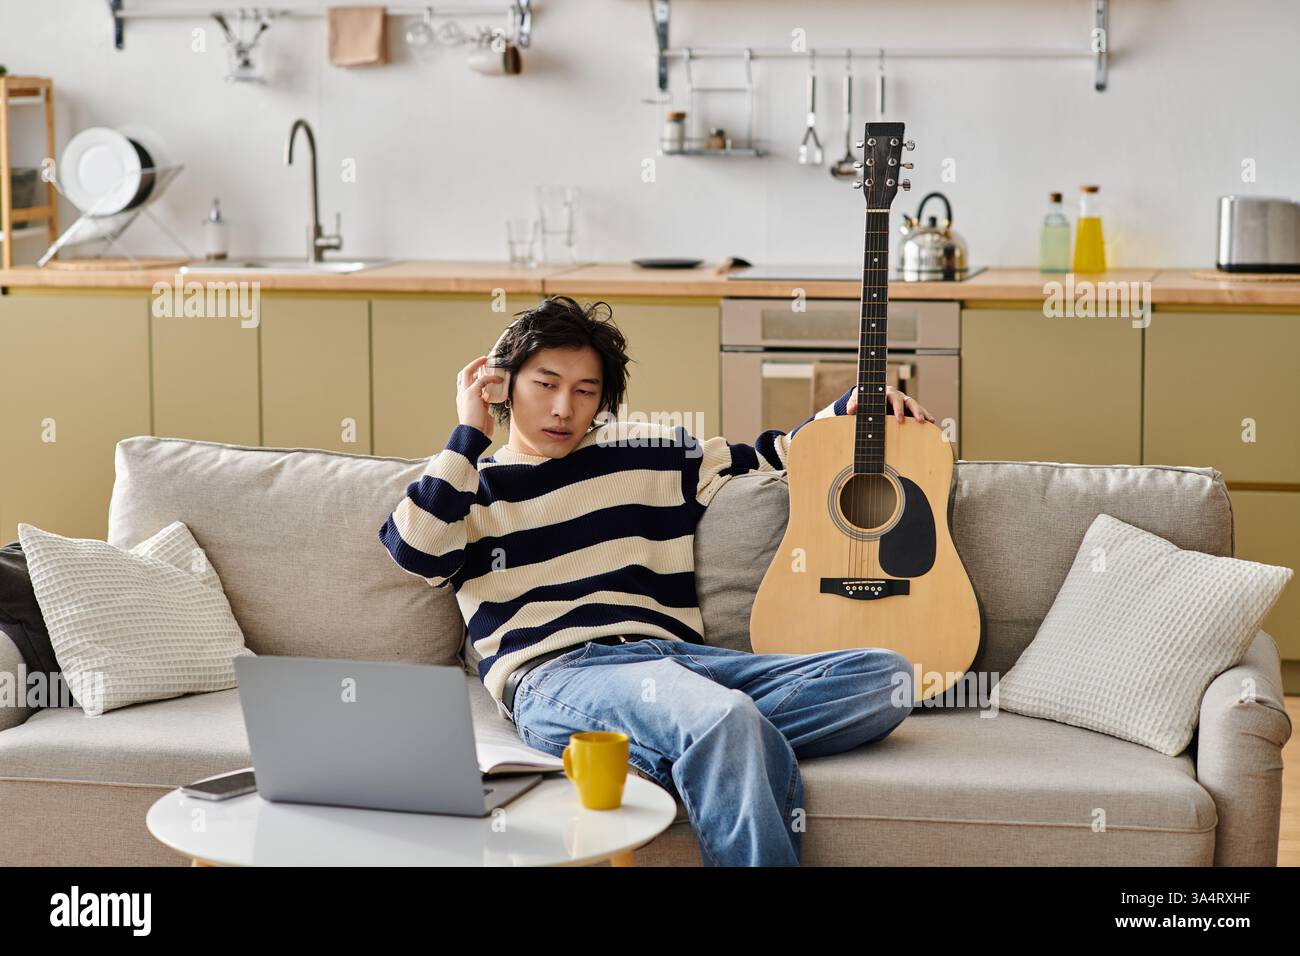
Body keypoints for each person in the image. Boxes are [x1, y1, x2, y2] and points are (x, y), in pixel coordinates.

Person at [378, 295, 935, 866]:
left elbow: (773, 457)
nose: (563, 408)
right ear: (503, 383)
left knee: (885, 678)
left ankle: (697, 749)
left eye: (585, 391)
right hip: (561, 674)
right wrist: (469, 430)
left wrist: (848, 409)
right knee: (725, 717)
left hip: (682, 665)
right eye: (545, 384)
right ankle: (713, 741)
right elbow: (415, 552)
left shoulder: (645, 452)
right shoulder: (471, 488)